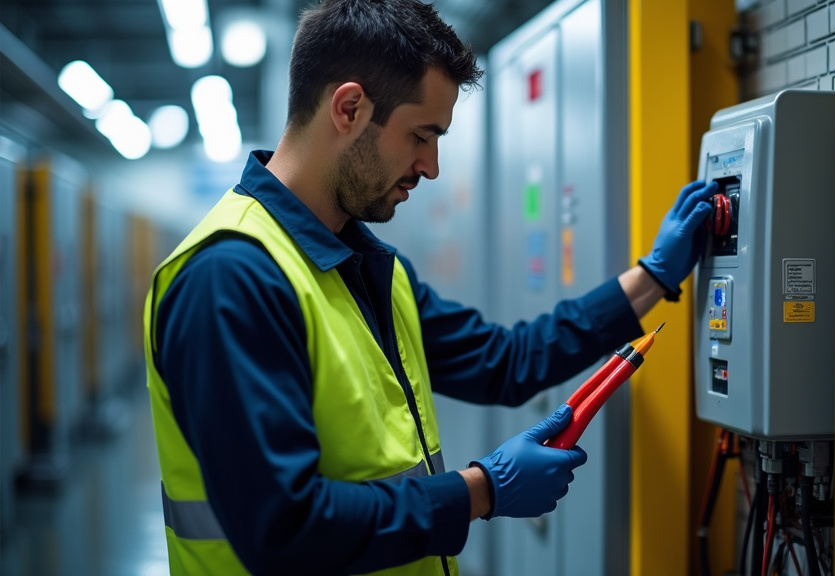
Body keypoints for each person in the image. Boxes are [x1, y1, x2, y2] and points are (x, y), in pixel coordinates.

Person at [142, 0, 717, 574]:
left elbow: (504, 360)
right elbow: (284, 524)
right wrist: (481, 491)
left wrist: (654, 278)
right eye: (421, 135)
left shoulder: (366, 266)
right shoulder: (230, 279)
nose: (432, 165)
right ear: (349, 108)